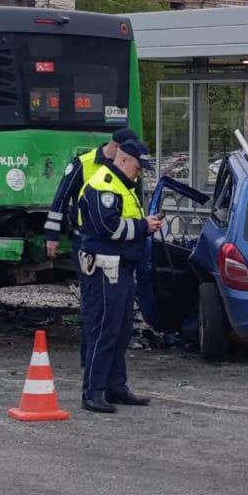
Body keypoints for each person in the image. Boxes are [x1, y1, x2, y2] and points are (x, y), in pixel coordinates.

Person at [76, 138, 164, 414]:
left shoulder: (123, 185)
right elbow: (108, 228)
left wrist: (143, 227)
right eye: (137, 167)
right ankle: (93, 391)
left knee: (122, 330)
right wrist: (143, 227)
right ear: (123, 160)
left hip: (121, 269)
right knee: (104, 330)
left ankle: (115, 387)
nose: (139, 173)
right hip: (104, 269)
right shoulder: (104, 185)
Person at [45, 127, 140, 259]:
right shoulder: (82, 164)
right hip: (86, 239)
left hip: (120, 240)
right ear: (117, 147)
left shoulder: (129, 166)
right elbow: (61, 199)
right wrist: (52, 235)